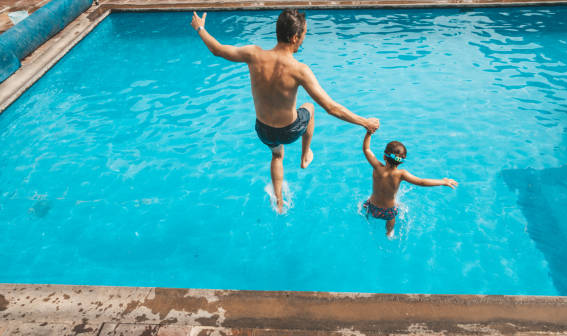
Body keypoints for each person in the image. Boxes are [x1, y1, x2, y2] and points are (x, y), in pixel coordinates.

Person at [191, 9, 380, 213]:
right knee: (310, 108)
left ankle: (279, 202)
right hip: (289, 130)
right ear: (294, 37)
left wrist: (200, 28)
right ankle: (305, 154)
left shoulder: (253, 54)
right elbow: (331, 107)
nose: (303, 41)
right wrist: (365, 122)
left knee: (277, 156)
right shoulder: (299, 69)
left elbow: (217, 49)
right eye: (304, 36)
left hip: (263, 130)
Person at [362, 130, 458, 237]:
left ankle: (366, 218)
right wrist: (443, 182)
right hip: (387, 211)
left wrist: (369, 132)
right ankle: (389, 233)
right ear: (401, 161)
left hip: (372, 206)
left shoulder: (377, 167)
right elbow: (422, 182)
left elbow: (366, 149)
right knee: (391, 218)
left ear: (384, 156)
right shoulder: (401, 174)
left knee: (365, 208)